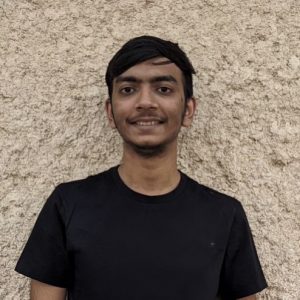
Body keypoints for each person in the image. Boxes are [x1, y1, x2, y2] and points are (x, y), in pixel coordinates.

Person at [15, 36, 267, 300]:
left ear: (189, 111)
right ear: (110, 112)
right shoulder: (67, 205)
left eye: (163, 89)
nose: (145, 102)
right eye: (128, 89)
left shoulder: (224, 215)